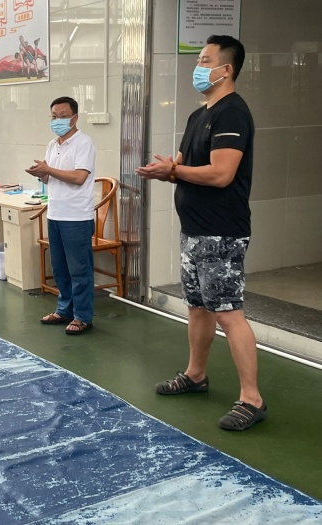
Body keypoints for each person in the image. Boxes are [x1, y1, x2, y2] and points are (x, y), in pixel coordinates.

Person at [135, 35, 265, 431]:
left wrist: (173, 170)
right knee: (198, 307)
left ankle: (252, 399)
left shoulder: (233, 113)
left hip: (221, 233)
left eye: (206, 60)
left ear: (226, 69)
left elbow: (222, 174)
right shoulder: (198, 115)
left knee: (228, 313)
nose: (198, 67)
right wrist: (166, 170)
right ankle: (196, 375)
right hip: (194, 231)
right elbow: (183, 165)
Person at [27, 96, 96, 335]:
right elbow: (50, 178)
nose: (58, 120)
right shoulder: (52, 144)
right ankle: (64, 309)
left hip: (76, 216)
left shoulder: (84, 143)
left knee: (79, 269)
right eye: (54, 116)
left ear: (75, 118)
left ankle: (82, 316)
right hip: (55, 213)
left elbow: (79, 177)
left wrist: (49, 169)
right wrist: (41, 173)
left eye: (63, 116)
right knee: (60, 268)